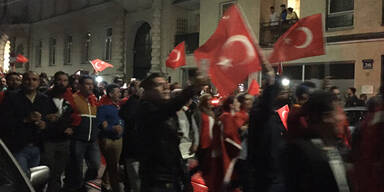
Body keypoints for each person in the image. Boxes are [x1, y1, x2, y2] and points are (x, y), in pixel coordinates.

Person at [136, 73, 205, 192]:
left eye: (166, 84)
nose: (166, 88)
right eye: (159, 85)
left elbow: (173, 148)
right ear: (147, 91)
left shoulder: (166, 111)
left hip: (172, 175)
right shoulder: (146, 109)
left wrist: (185, 178)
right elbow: (168, 108)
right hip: (156, 178)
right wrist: (192, 87)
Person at [284, 91, 350, 192]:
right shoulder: (301, 151)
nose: (343, 118)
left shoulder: (339, 147)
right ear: (326, 117)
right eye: (339, 112)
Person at [0, 71, 57, 175]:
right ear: (23, 81)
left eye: (34, 79)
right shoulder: (12, 97)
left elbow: (52, 117)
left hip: (37, 146)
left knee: (35, 178)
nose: (31, 82)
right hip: (18, 146)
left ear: (39, 82)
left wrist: (45, 124)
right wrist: (25, 120)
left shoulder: (44, 99)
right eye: (27, 79)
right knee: (22, 178)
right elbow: (4, 121)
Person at [247, 74, 288, 192]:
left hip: (277, 169)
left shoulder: (281, 112)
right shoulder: (260, 111)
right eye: (280, 91)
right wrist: (272, 83)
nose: (284, 93)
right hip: (264, 171)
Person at [64, 75, 101, 192]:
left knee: (95, 165)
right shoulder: (73, 98)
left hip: (92, 140)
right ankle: (76, 186)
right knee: (76, 167)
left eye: (92, 84)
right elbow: (66, 116)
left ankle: (85, 185)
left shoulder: (93, 100)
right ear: (80, 86)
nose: (90, 86)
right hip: (78, 139)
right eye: (87, 84)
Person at [42, 71, 75, 192]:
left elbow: (72, 117)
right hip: (49, 140)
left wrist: (72, 128)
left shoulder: (68, 100)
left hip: (64, 140)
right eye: (60, 80)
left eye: (65, 80)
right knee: (47, 170)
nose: (62, 83)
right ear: (54, 81)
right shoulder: (45, 98)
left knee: (58, 172)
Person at [98, 84, 125, 192]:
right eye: (117, 92)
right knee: (112, 165)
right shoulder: (103, 107)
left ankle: (106, 183)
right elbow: (103, 125)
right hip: (109, 140)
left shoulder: (119, 107)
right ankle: (112, 186)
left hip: (119, 139)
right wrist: (112, 128)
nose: (120, 94)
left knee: (113, 164)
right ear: (110, 94)